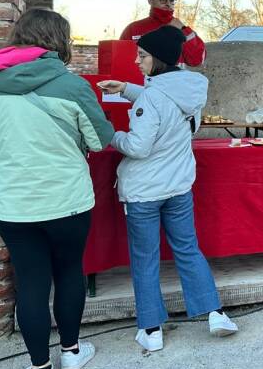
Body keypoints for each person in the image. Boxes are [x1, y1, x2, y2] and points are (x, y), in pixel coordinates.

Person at [0, 9, 115, 369]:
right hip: (68, 201)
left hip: (15, 205)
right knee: (69, 273)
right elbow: (99, 140)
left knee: (30, 283)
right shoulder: (74, 86)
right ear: (60, 42)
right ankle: (71, 351)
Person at [99, 27, 237, 352]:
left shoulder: (152, 96)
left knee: (145, 259)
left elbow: (138, 146)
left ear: (158, 59)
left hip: (145, 190)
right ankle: (215, 313)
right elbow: (165, 103)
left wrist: (109, 133)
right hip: (179, 185)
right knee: (188, 248)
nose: (136, 61)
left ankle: (151, 329)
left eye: (142, 55)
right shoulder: (190, 90)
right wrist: (128, 89)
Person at [120, 0, 206, 67]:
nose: (168, 3)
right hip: (141, 80)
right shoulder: (133, 29)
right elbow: (120, 61)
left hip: (174, 80)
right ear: (150, 0)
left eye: (171, 0)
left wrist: (183, 29)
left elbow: (197, 61)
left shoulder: (183, 30)